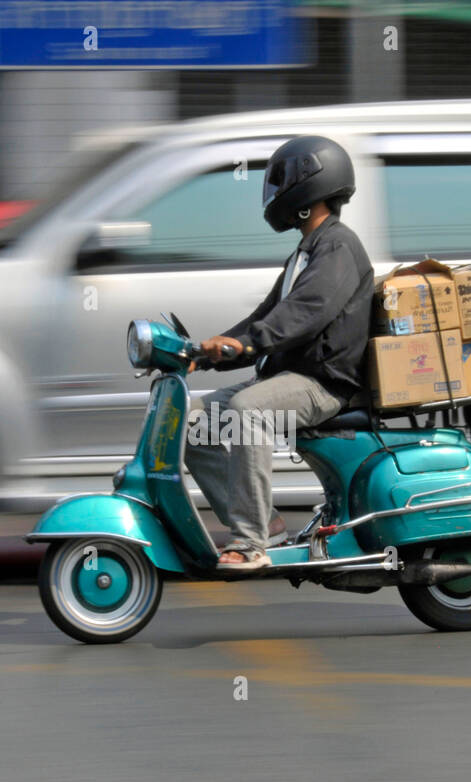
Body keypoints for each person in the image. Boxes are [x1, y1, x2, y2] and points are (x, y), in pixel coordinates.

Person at [185, 135, 373, 571]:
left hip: (324, 385)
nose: (275, 194)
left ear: (309, 185)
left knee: (247, 407)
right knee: (191, 421)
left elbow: (307, 313)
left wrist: (249, 343)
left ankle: (249, 543)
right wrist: (205, 354)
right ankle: (265, 524)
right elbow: (266, 316)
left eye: (282, 181)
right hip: (289, 380)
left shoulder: (338, 247)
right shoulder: (305, 253)